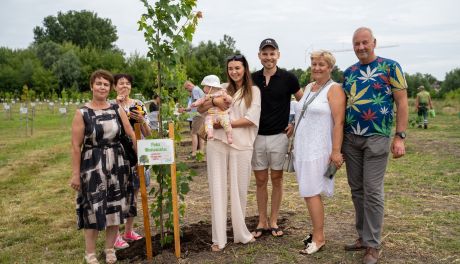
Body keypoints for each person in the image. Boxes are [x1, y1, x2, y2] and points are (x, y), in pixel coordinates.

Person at [342, 27, 408, 264]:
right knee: (357, 190)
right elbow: (342, 107)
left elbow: (401, 103)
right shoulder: (348, 73)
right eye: (356, 43)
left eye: (365, 42)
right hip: (351, 139)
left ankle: (373, 245)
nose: (361, 47)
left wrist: (400, 136)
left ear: (374, 43)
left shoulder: (391, 67)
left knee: (372, 191)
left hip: (378, 137)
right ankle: (362, 236)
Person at [69, 69, 136, 264]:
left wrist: (141, 154)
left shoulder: (117, 109)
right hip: (93, 164)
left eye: (106, 84)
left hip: (117, 163)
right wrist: (75, 174)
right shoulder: (82, 112)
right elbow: (75, 146)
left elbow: (130, 132)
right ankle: (90, 253)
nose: (102, 87)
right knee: (93, 207)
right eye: (99, 83)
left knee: (115, 208)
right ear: (92, 86)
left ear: (110, 88)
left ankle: (109, 249)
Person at [197, 54, 261, 251]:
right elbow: (201, 110)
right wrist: (215, 103)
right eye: (230, 68)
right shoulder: (221, 88)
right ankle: (219, 238)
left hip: (241, 144)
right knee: (217, 187)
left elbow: (251, 119)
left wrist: (223, 124)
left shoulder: (253, 91)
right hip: (217, 142)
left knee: (239, 189)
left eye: (237, 68)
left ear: (245, 69)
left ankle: (241, 233)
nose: (233, 72)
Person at [294, 50, 345, 254]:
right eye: (314, 64)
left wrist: (335, 152)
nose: (316, 68)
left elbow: (339, 122)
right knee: (309, 192)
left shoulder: (334, 90)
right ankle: (316, 232)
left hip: (319, 150)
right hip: (303, 148)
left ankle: (320, 238)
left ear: (330, 67)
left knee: (312, 192)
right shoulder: (309, 87)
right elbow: (302, 112)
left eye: (321, 64)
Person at [251, 38, 303, 238]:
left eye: (272, 53)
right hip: (256, 137)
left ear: (278, 55)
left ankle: (273, 220)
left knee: (277, 179)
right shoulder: (252, 79)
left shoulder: (289, 78)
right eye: (265, 53)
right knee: (260, 180)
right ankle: (261, 221)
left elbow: (303, 103)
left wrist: (295, 123)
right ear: (259, 56)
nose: (268, 57)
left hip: (280, 137)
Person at [112, 73, 152, 250]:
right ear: (114, 87)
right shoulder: (110, 105)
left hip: (137, 152)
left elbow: (149, 133)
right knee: (116, 194)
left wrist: (142, 121)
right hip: (116, 153)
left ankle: (129, 230)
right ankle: (114, 236)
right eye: (121, 83)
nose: (124, 86)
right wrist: (118, 107)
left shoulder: (139, 105)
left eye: (127, 83)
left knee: (134, 192)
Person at [192, 75, 233, 143]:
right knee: (208, 122)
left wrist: (228, 99)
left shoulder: (222, 92)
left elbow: (230, 99)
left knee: (227, 124)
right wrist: (195, 103)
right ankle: (210, 134)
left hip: (222, 114)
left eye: (205, 86)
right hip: (211, 115)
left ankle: (229, 136)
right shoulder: (207, 96)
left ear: (211, 87)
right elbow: (201, 101)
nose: (203, 88)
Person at [181, 81, 205, 159]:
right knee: (201, 133)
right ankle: (201, 151)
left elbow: (197, 104)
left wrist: (188, 110)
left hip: (197, 114)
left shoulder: (195, 90)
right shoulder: (199, 90)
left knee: (194, 133)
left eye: (186, 88)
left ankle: (194, 153)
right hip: (202, 114)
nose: (187, 90)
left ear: (189, 85)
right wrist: (185, 109)